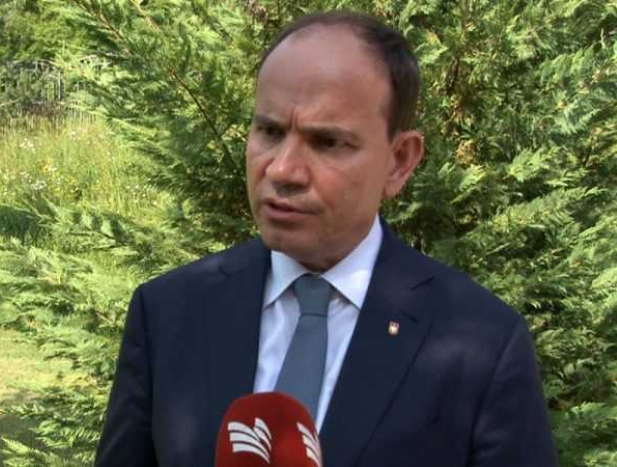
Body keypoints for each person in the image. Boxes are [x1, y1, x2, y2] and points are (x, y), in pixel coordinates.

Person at [95, 11, 558, 467]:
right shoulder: (169, 312)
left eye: (327, 142)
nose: (283, 170)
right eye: (269, 131)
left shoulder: (482, 345)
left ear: (399, 161)